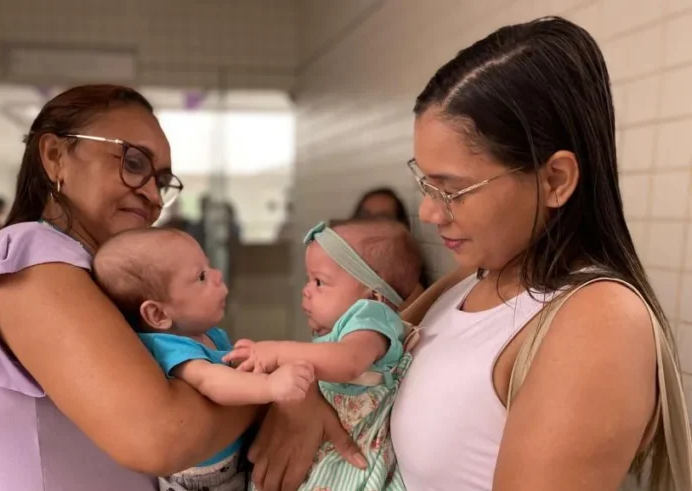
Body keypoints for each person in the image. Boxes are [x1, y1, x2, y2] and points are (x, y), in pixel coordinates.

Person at [247, 17, 692, 491]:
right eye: (425, 183)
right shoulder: (468, 280)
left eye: (452, 190)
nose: (428, 212)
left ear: (555, 180)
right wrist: (304, 399)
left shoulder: (599, 321)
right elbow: (355, 361)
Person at [0, 85, 368, 491]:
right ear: (55, 156)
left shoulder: (96, 277)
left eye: (162, 180)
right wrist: (274, 396)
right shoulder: (29, 254)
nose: (152, 195)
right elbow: (162, 435)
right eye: (133, 162)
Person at [92, 227, 316, 491]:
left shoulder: (207, 334)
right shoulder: (170, 347)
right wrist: (270, 386)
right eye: (201, 276)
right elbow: (212, 382)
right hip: (203, 480)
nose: (217, 275)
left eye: (208, 267)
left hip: (230, 456)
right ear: (158, 314)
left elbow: (231, 365)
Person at [224, 219, 422, 490]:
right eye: (309, 279)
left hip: (349, 459)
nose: (306, 290)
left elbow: (348, 362)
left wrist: (278, 352)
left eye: (319, 282)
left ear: (373, 296)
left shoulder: (372, 317)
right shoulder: (345, 330)